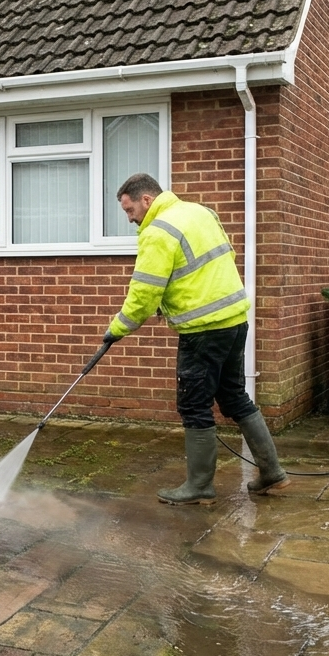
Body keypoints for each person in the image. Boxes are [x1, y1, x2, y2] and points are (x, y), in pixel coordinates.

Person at [104, 173, 289, 505]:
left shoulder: (158, 231)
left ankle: (199, 486)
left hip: (202, 330)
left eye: (130, 210)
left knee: (194, 404)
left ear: (147, 200)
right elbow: (215, 263)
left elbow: (143, 293)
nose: (130, 218)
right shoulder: (201, 213)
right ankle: (272, 473)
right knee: (234, 397)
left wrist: (118, 328)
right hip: (234, 321)